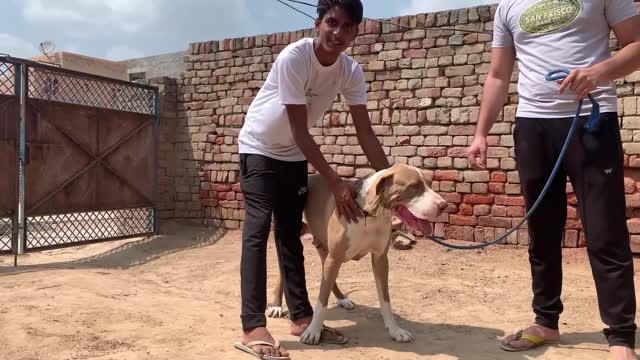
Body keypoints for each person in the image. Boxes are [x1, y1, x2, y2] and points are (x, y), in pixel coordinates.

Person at [466, 0, 640, 359]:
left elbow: (636, 46)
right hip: (532, 127)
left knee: (605, 232)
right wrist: (480, 132)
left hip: (592, 121)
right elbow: (498, 75)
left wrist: (598, 72)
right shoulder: (508, 7)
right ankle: (546, 321)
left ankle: (621, 336)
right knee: (542, 231)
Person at [234, 0, 390, 358]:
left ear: (356, 32)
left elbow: (365, 131)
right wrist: (336, 182)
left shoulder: (350, 71)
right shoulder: (295, 57)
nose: (338, 33)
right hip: (259, 147)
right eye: (332, 23)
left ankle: (302, 317)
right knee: (257, 229)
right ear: (318, 22)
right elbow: (299, 130)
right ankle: (252, 325)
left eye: (347, 26)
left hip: (292, 157)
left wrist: (390, 181)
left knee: (290, 233)